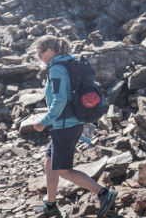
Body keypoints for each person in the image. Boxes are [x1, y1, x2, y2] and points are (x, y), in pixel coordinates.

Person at [31, 35, 117, 218]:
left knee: (64, 170)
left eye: (39, 54)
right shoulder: (70, 62)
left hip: (65, 125)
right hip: (76, 120)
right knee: (49, 163)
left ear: (49, 51)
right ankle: (51, 205)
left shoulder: (55, 68)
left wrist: (44, 121)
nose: (39, 58)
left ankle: (104, 193)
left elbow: (59, 101)